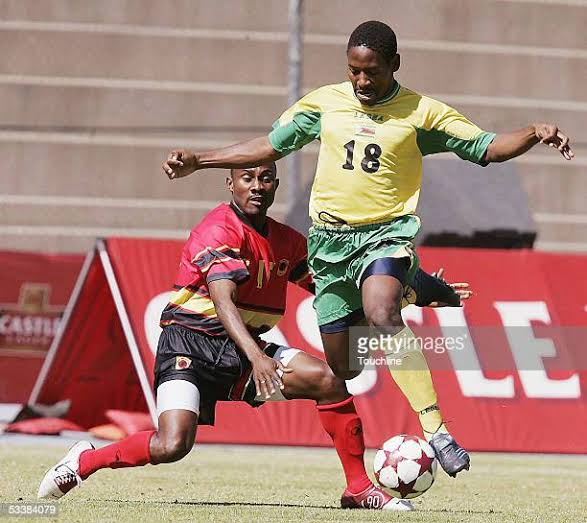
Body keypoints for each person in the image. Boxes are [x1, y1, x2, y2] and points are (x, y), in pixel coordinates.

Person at [160, 20, 573, 477]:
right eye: (354, 71)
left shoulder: (422, 113)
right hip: (329, 245)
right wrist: (200, 160)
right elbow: (268, 146)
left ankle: (435, 429)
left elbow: (488, 147)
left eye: (371, 72)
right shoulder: (324, 103)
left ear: (395, 64)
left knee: (381, 311)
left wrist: (534, 131)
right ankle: (407, 288)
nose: (361, 81)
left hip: (385, 234)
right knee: (345, 368)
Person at [38, 163, 471, 511]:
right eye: (247, 178)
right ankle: (85, 460)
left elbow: (335, 289)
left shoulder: (286, 242)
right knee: (172, 445)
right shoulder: (218, 230)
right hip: (189, 343)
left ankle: (357, 489)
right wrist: (260, 359)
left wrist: (411, 294)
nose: (257, 186)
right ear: (230, 183)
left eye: (266, 178)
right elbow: (224, 303)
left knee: (328, 381)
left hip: (242, 348)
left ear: (276, 183)